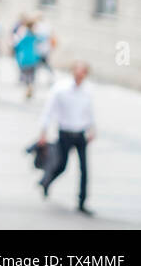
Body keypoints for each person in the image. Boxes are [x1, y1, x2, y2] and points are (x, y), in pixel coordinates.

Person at [38, 61, 97, 215]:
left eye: (83, 72)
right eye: (78, 71)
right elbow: (48, 111)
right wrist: (43, 132)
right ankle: (46, 182)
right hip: (65, 133)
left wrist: (92, 129)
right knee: (62, 165)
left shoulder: (87, 91)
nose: (80, 75)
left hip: (80, 134)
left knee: (84, 169)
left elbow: (89, 112)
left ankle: (82, 201)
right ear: (73, 72)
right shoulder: (61, 89)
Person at [13, 16, 42, 99]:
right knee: (31, 75)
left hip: (25, 58)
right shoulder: (35, 35)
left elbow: (18, 45)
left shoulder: (24, 35)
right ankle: (30, 87)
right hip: (33, 57)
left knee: (25, 75)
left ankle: (28, 88)